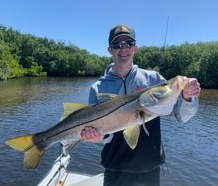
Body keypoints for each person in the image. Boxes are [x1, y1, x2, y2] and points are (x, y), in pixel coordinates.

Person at [80, 24, 201, 186]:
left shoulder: (153, 79)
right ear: (110, 50)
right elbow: (102, 136)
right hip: (115, 168)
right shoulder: (98, 88)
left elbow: (181, 116)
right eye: (117, 45)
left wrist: (187, 98)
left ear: (135, 48)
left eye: (128, 44)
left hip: (150, 168)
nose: (123, 49)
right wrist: (98, 137)